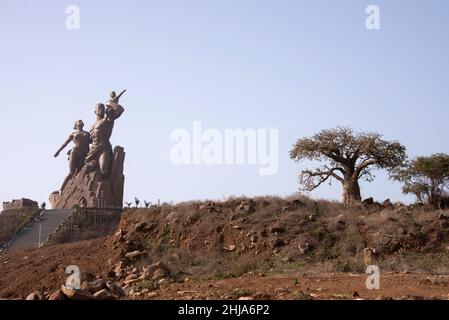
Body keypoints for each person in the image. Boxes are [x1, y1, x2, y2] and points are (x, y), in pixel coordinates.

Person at [84, 90, 126, 179]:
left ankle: (104, 189)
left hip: (103, 148)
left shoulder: (108, 119)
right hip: (92, 150)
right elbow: (90, 140)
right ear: (95, 111)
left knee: (104, 170)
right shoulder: (92, 125)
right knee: (86, 169)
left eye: (103, 108)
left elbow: (120, 110)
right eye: (99, 108)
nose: (101, 109)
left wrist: (110, 103)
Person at [54, 119, 91, 190]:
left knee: (80, 172)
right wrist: (58, 151)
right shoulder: (73, 133)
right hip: (75, 152)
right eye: (78, 121)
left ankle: (76, 187)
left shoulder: (87, 133)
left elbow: (93, 141)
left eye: (81, 121)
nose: (80, 122)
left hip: (84, 154)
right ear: (76, 124)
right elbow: (65, 143)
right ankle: (62, 189)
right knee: (71, 172)